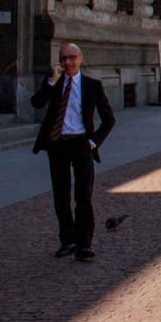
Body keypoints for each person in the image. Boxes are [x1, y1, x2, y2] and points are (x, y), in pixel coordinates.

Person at [31, 43, 116, 261]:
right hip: (57, 143)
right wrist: (51, 81)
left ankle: (84, 244)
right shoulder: (54, 82)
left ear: (81, 59)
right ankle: (67, 240)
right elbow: (36, 103)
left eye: (72, 58)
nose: (68, 62)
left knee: (83, 195)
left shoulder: (92, 86)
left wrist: (94, 142)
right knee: (61, 196)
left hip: (82, 144)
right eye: (63, 58)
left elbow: (109, 119)